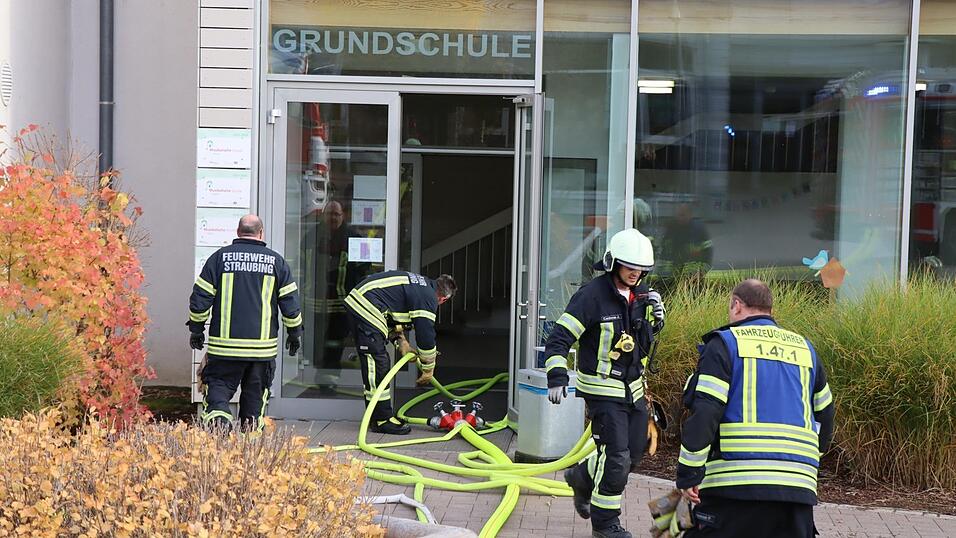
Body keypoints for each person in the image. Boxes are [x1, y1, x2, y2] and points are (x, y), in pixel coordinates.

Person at [676, 279, 835, 537]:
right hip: (797, 491)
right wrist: (804, 462)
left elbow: (705, 413)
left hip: (735, 486)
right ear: (770, 309)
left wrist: (688, 475)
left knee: (676, 524)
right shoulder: (805, 349)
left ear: (737, 305)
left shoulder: (725, 343)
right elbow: (825, 416)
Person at [545, 228, 666, 538]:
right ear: (613, 263)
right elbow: (559, 338)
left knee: (633, 454)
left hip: (633, 389)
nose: (635, 274)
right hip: (602, 390)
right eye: (629, 267)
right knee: (616, 459)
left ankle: (581, 476)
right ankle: (605, 524)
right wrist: (556, 376)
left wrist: (656, 319)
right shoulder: (591, 296)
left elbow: (642, 339)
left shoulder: (641, 295)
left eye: (641, 270)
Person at [187, 215, 304, 431]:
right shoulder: (276, 262)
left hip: (224, 349)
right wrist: (294, 333)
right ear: (261, 233)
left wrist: (196, 329)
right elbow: (290, 304)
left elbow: (200, 299)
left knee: (218, 391)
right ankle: (250, 444)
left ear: (238, 232)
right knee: (254, 401)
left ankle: (220, 428)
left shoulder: (219, 259)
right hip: (261, 351)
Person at [344, 270, 457, 435]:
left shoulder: (422, 286)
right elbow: (425, 336)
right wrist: (428, 367)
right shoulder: (428, 298)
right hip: (365, 305)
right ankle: (382, 420)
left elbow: (390, 313)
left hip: (363, 302)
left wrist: (400, 341)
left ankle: (377, 417)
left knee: (378, 363)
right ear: (443, 299)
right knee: (378, 363)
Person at [301, 201, 368, 378]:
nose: (333, 218)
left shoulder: (354, 237)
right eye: (329, 214)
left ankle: (329, 378)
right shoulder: (311, 236)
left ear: (342, 216)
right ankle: (317, 372)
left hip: (341, 302)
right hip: (314, 302)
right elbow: (301, 266)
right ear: (324, 216)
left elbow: (365, 269)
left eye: (336, 214)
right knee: (315, 342)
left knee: (336, 341)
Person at [662, 204, 712, 278]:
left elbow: (708, 252)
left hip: (694, 274)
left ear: (690, 215)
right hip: (675, 272)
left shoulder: (699, 230)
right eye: (679, 215)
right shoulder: (672, 229)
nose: (681, 218)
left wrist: (703, 271)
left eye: (683, 215)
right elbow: (665, 252)